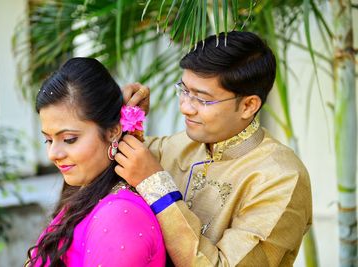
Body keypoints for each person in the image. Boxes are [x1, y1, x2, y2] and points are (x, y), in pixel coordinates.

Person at [115, 31, 312, 266]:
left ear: (249, 105)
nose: (186, 108)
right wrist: (127, 119)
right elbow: (111, 161)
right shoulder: (181, 145)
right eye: (184, 90)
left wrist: (156, 187)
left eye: (203, 99)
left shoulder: (281, 178)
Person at [26, 57, 166, 267]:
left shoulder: (119, 218)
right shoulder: (84, 193)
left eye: (69, 139)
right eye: (48, 139)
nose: (53, 154)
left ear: (113, 132)